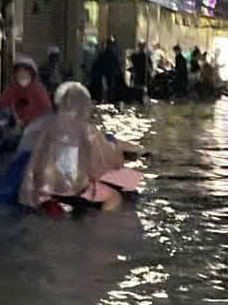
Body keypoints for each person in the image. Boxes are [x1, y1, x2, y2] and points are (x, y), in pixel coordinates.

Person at [19, 81, 140, 214]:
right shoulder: (88, 130)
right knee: (114, 197)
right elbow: (99, 168)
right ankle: (101, 226)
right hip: (75, 192)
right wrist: (117, 155)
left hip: (46, 191)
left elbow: (34, 164)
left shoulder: (47, 129)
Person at [0, 54, 52, 127]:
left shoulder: (38, 89)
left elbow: (47, 109)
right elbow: (2, 101)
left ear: (31, 73)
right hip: (16, 127)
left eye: (25, 72)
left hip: (34, 129)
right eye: (19, 72)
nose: (22, 74)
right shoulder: (13, 87)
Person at [89, 37, 125, 105]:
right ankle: (108, 100)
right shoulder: (111, 55)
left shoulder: (104, 54)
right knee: (109, 89)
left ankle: (106, 100)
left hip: (106, 77)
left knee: (108, 89)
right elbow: (117, 68)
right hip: (108, 77)